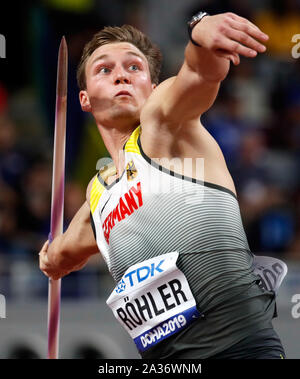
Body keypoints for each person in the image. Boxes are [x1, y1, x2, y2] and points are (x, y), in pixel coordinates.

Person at [39, 11, 287, 359]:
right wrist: (50, 258)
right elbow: (62, 254)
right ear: (84, 99)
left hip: (239, 351)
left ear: (153, 89)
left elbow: (200, 73)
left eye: (134, 67)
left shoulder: (166, 124)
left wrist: (200, 32)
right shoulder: (99, 196)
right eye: (104, 70)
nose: (121, 75)